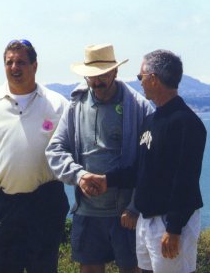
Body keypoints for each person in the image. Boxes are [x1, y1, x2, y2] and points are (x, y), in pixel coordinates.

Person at [0, 39, 69, 273]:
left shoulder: (57, 104)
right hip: (5, 205)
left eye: (21, 62)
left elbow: (75, 149)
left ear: (35, 66)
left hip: (46, 201)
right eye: (9, 63)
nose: (15, 67)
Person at [88, 49, 206, 273]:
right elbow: (142, 170)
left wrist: (174, 228)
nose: (139, 82)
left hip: (170, 223)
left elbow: (186, 180)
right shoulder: (152, 120)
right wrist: (107, 180)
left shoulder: (186, 123)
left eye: (140, 77)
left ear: (153, 79)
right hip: (146, 219)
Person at [46, 43, 153, 273]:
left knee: (133, 269)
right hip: (87, 211)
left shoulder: (139, 107)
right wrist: (80, 176)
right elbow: (54, 150)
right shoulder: (76, 104)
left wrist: (135, 206)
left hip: (126, 212)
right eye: (91, 77)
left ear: (115, 71)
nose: (96, 82)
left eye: (102, 75)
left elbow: (150, 163)